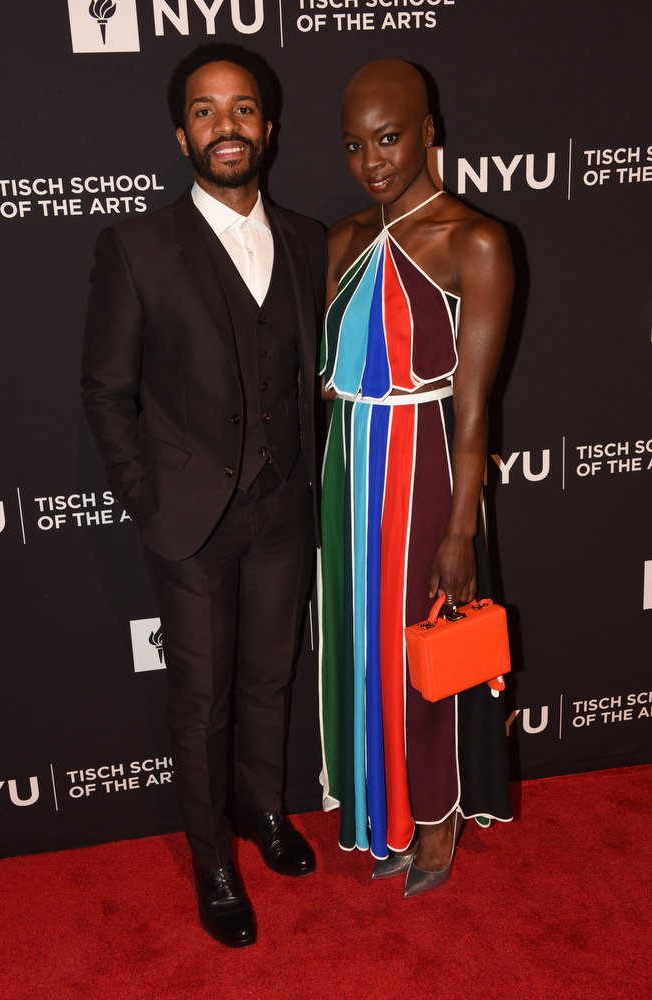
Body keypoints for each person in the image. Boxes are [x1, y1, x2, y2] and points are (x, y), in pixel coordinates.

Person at [81, 43, 326, 947]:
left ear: (268, 125)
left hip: (284, 509)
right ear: (180, 133)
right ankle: (212, 861)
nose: (227, 125)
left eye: (244, 107)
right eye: (206, 110)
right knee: (202, 698)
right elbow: (106, 392)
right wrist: (149, 501)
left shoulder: (305, 236)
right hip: (189, 520)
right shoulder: (136, 246)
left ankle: (261, 813)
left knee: (269, 677)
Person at [318, 60, 514, 897]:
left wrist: (460, 528)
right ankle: (379, 813)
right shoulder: (342, 239)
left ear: (429, 131)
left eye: (390, 137)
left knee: (419, 648)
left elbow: (473, 408)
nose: (373, 160)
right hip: (345, 469)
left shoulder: (475, 241)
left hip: (424, 466)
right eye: (355, 144)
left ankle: (434, 818)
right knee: (360, 651)